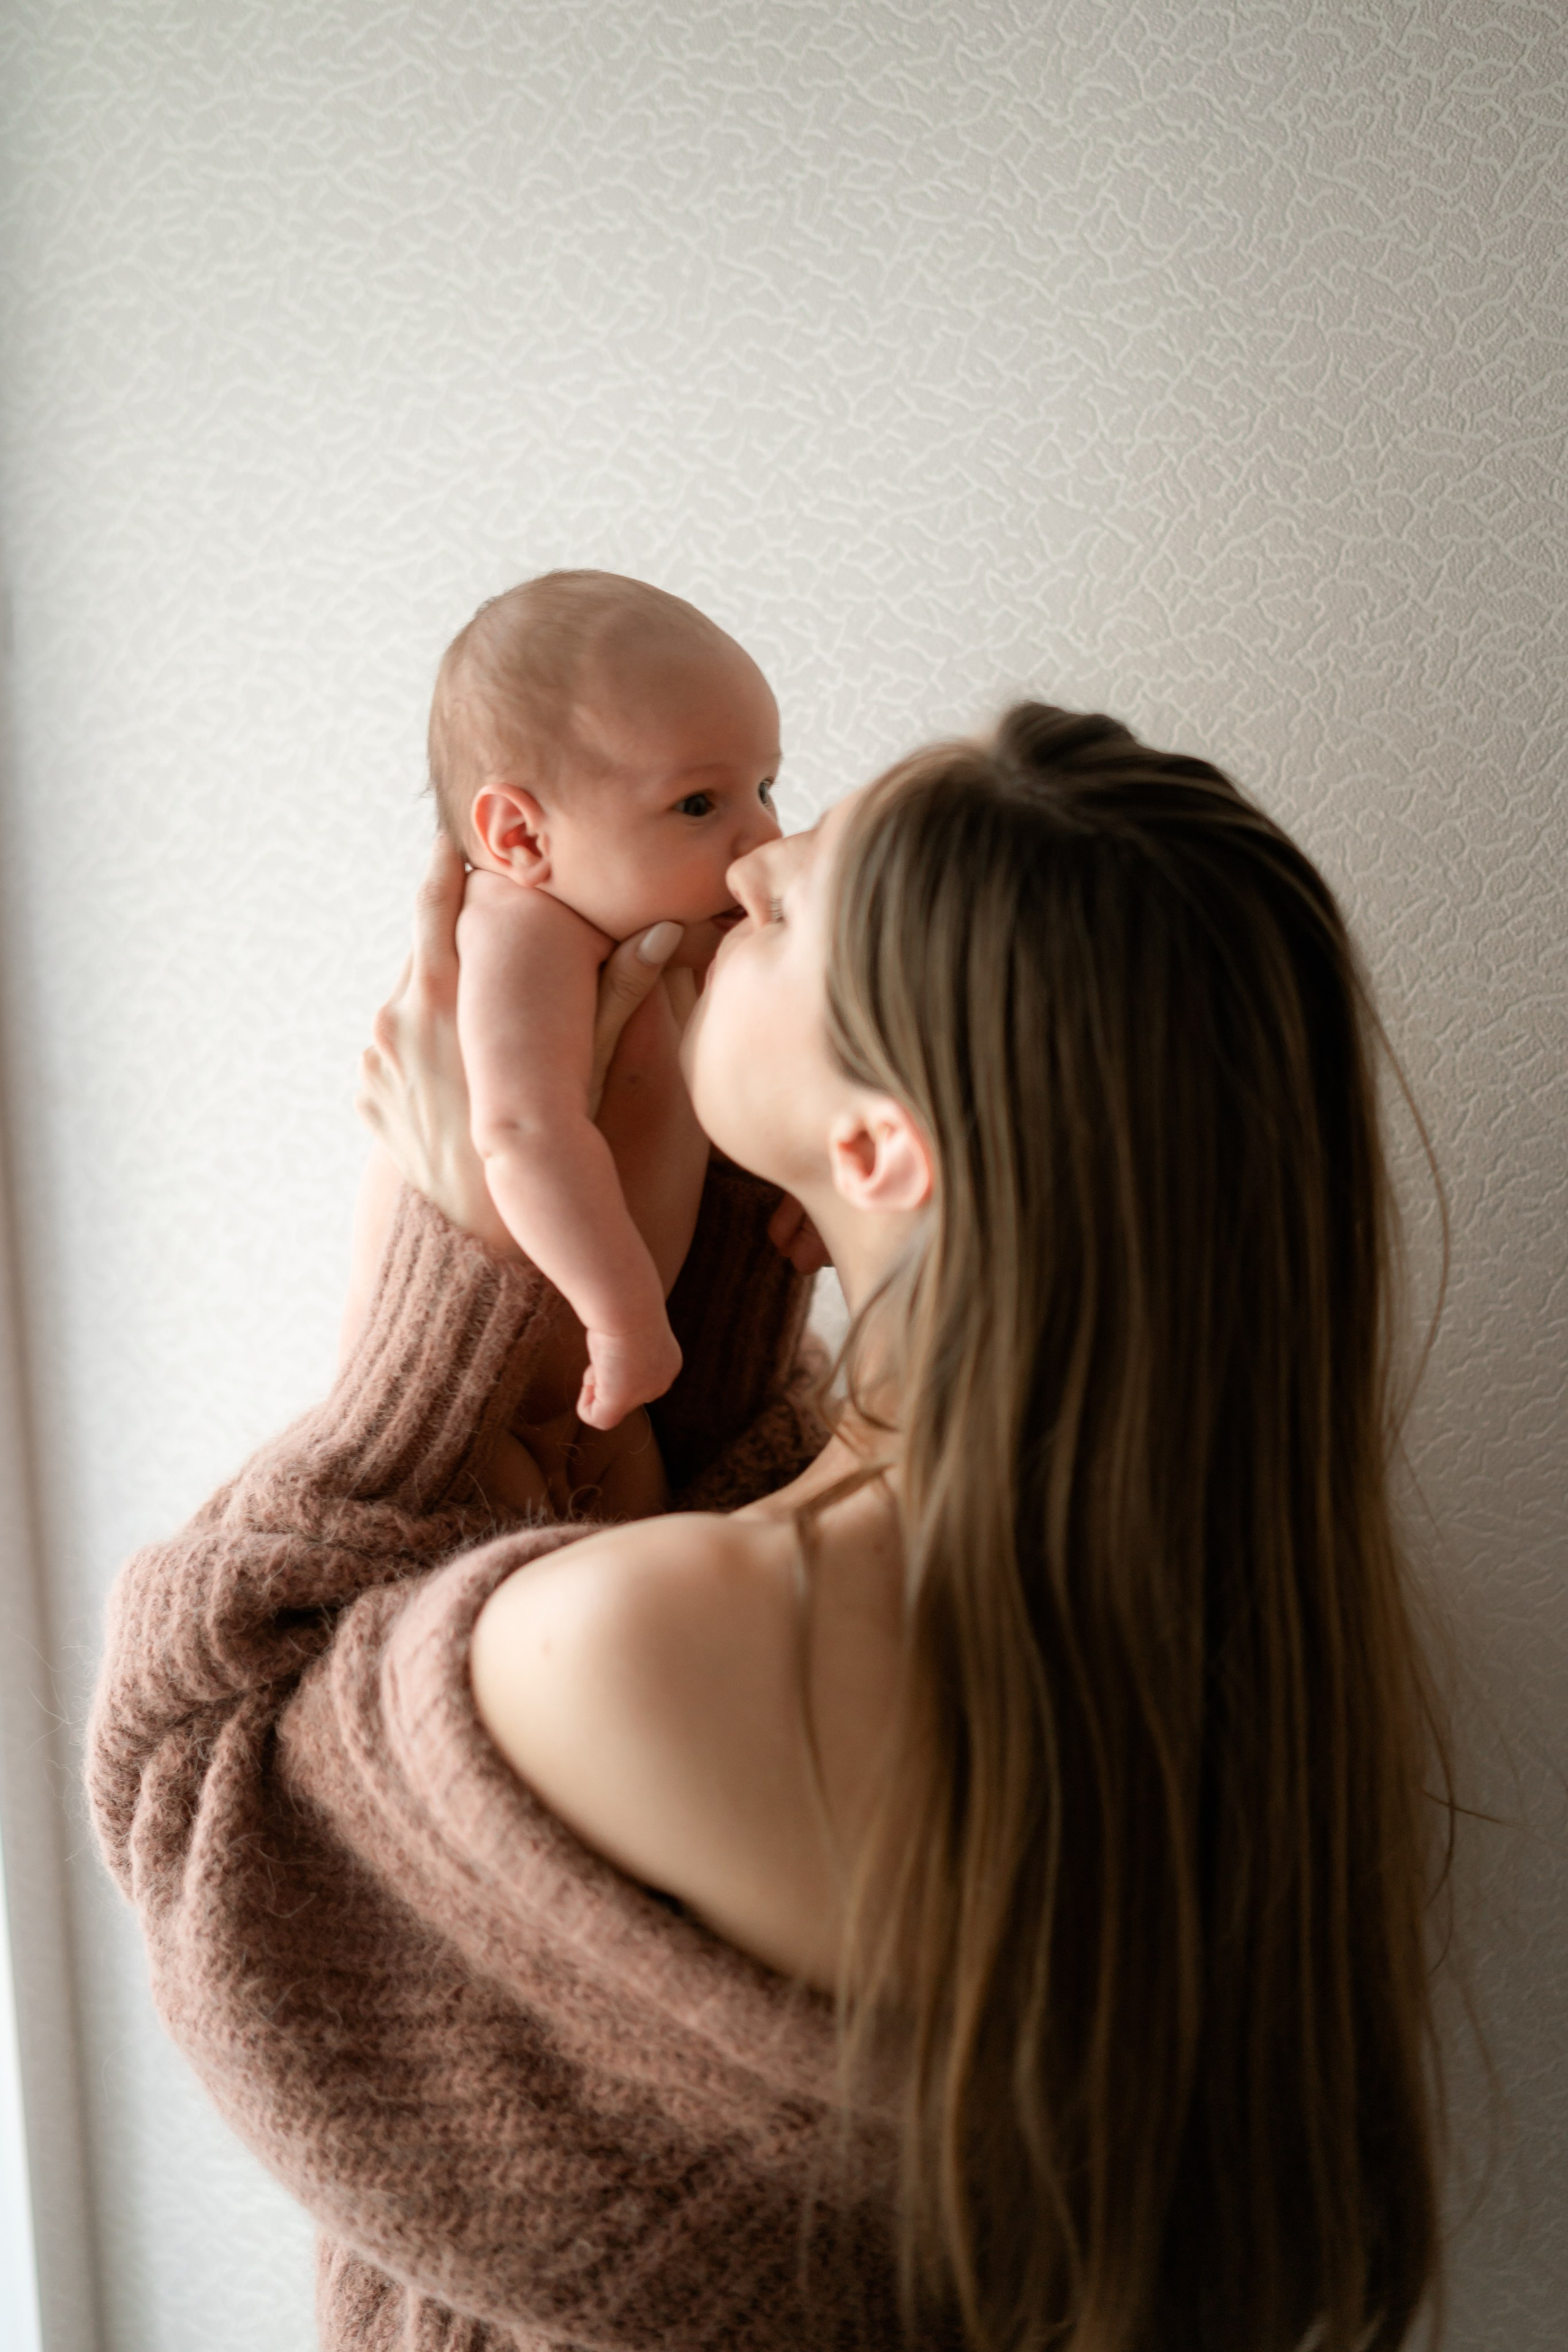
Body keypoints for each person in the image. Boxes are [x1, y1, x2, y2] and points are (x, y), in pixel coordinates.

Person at [89, 704, 1448, 2352]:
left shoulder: (648, 1643)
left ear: (878, 1141)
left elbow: (203, 1784)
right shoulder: (1234, 1669)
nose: (740, 864)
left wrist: (443, 1276)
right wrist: (698, 1287)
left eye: (791, 900)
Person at [351, 568, 782, 1459]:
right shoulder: (523, 929)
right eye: (700, 803)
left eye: (766, 789)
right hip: (485, 1398)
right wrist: (625, 1319)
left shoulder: (678, 930)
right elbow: (523, 1130)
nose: (763, 838)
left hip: (608, 1393)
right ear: (521, 838)